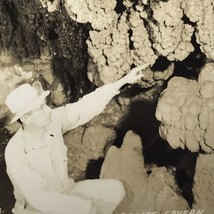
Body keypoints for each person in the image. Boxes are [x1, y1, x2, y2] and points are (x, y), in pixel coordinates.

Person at [5, 64, 149, 214]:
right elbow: (40, 198)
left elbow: (85, 107)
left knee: (115, 190)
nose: (49, 110)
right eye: (41, 108)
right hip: (38, 208)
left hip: (66, 191)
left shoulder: (53, 121)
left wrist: (124, 80)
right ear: (26, 118)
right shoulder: (15, 152)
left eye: (45, 105)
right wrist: (85, 208)